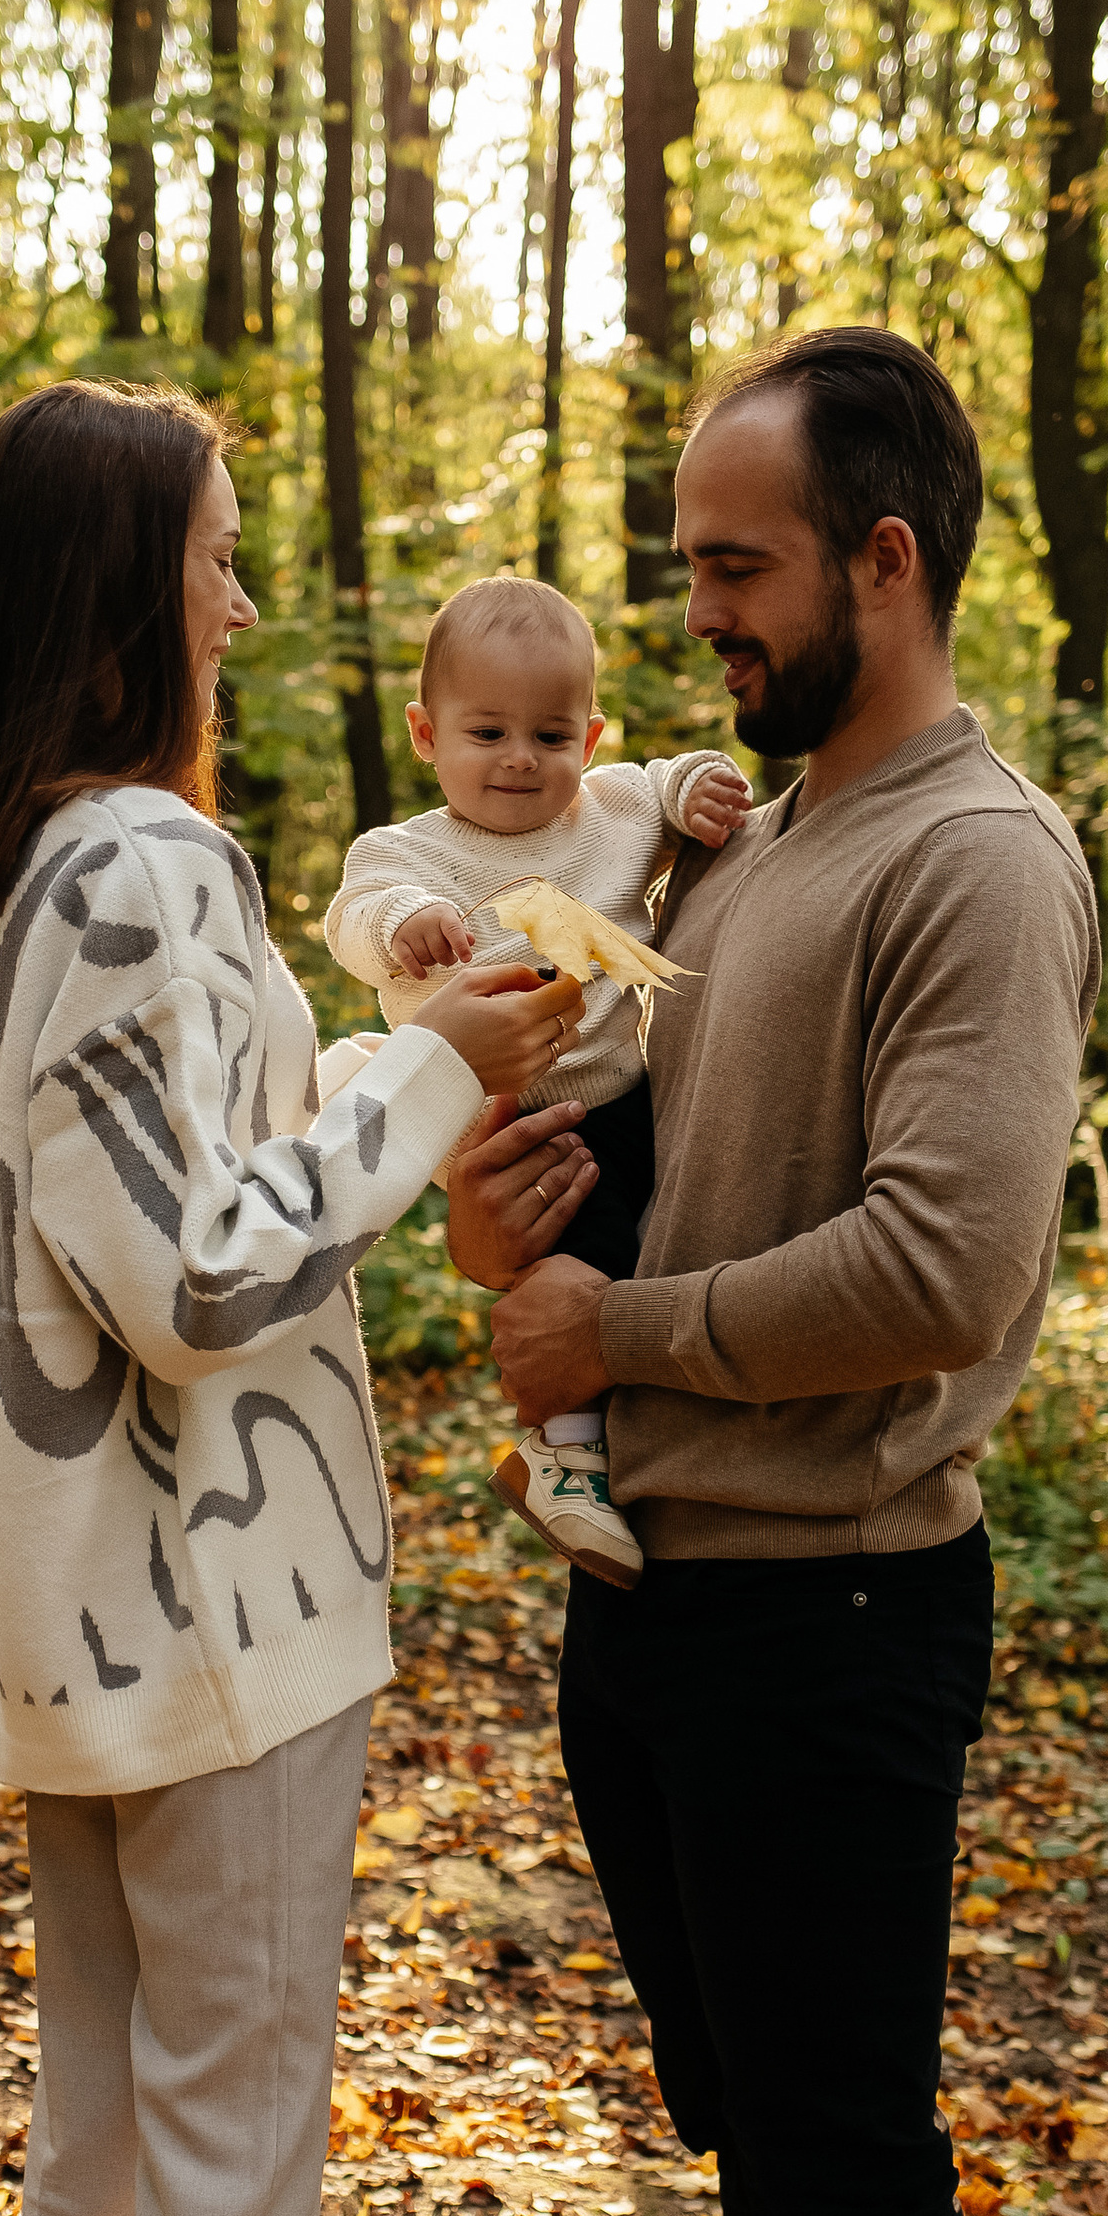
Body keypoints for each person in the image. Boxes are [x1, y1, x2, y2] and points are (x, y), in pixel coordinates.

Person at [0, 377, 581, 2216]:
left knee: (105, 2168)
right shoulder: (143, 865)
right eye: (213, 560)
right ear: (118, 599)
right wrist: (437, 1064)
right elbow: (196, 1280)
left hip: (69, 1627)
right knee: (218, 2185)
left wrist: (393, 1052)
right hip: (217, 1623)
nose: (244, 607)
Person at [442, 326, 1099, 2216]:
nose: (693, 611)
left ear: (884, 558)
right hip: (667, 1602)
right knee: (761, 2146)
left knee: (854, 2173)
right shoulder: (748, 839)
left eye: (734, 564)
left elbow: (944, 1264)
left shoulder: (976, 855)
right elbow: (650, 1155)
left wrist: (625, 1334)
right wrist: (532, 1213)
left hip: (838, 1605)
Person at [324, 573, 749, 1586]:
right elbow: (352, 916)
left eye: (550, 737)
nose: (520, 758)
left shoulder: (610, 812)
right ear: (427, 736)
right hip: (495, 1112)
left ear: (589, 739)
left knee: (647, 1245)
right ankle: (563, 1452)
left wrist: (698, 789)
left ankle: (597, 1442)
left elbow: (670, 779)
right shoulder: (407, 851)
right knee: (572, 1252)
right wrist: (402, 924)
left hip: (620, 1092)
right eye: (488, 734)